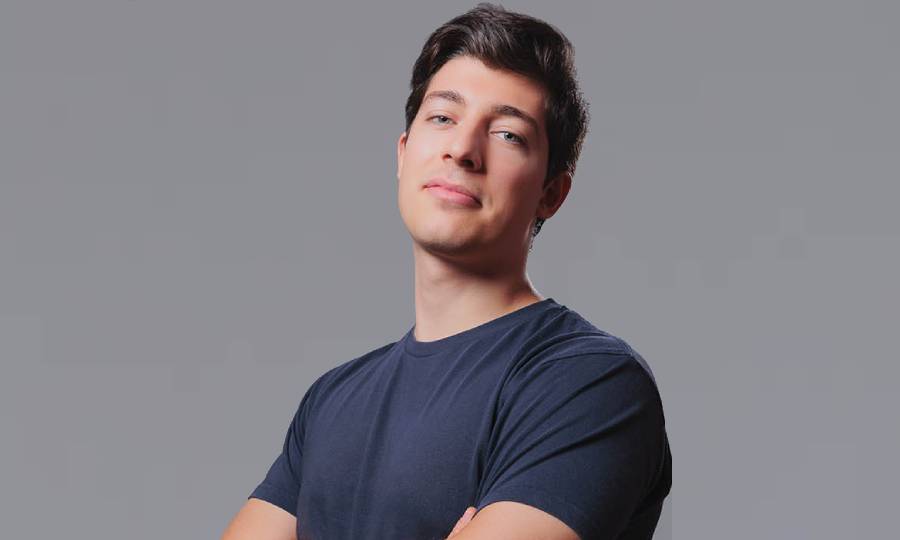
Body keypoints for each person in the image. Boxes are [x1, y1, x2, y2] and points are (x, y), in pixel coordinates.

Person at [221, 3, 671, 539]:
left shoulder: (587, 383)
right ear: (403, 154)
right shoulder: (332, 401)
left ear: (551, 193)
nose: (461, 149)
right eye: (442, 118)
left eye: (508, 134)